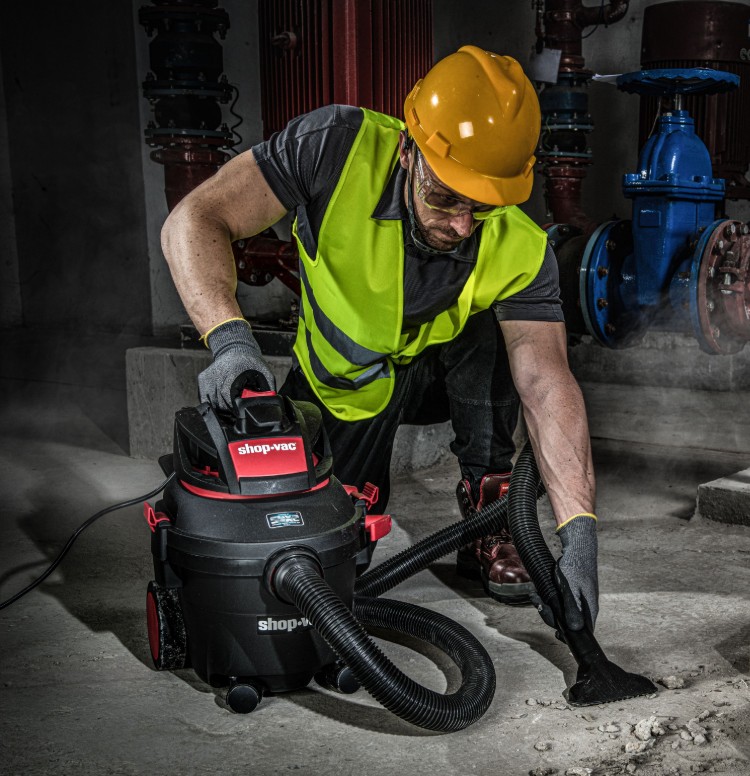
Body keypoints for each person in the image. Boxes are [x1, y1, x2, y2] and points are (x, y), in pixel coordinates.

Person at [161, 46, 598, 632]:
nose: (461, 224)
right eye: (445, 196)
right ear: (407, 150)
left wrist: (580, 534)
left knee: (506, 329)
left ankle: (490, 512)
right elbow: (195, 218)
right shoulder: (334, 148)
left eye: (482, 206)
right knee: (327, 556)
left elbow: (546, 381)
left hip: (440, 379)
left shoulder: (520, 246)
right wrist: (231, 341)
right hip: (345, 383)